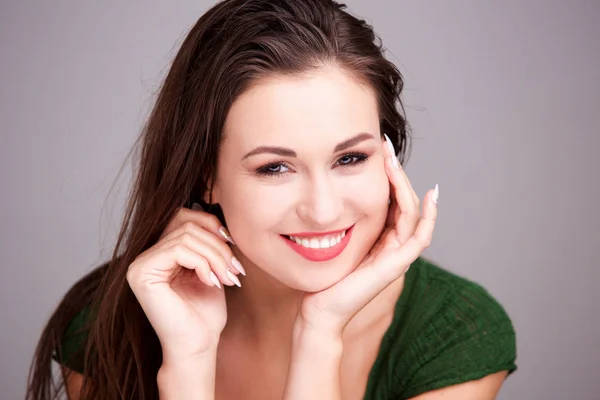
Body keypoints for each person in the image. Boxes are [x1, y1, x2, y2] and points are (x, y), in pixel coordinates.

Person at [26, 0, 517, 399]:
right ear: (205, 178)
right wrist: (189, 364)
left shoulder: (454, 335)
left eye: (349, 159)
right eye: (274, 167)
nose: (323, 210)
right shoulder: (110, 319)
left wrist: (319, 333)